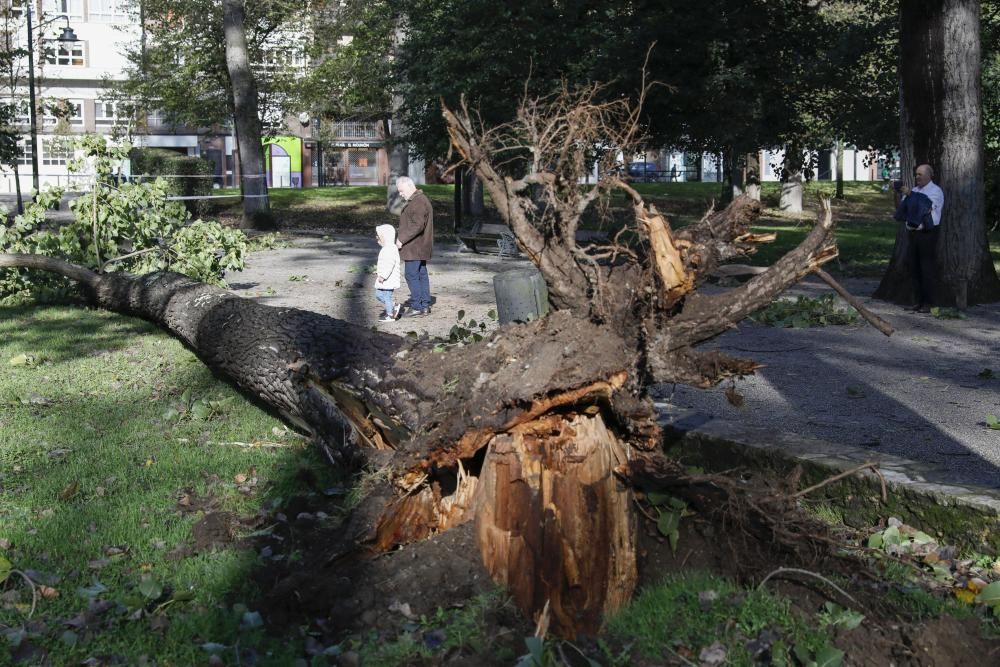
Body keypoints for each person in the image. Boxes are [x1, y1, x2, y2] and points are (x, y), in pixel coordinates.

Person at [899, 163, 944, 313]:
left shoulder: (935, 191)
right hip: (913, 233)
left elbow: (925, 207)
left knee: (926, 268)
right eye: (916, 174)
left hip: (927, 233)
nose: (917, 177)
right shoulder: (915, 190)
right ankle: (917, 301)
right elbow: (904, 208)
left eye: (920, 174)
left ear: (929, 175)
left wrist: (910, 196)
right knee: (914, 267)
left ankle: (929, 303)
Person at [394, 175, 434, 316]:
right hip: (419, 246)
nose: (400, 194)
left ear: (410, 186)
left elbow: (417, 226)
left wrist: (401, 239)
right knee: (421, 274)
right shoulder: (418, 200)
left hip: (415, 247)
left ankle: (417, 306)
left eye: (401, 190)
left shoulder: (418, 202)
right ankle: (424, 305)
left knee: (411, 275)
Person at [374, 224, 402, 322]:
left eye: (379, 237)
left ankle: (390, 315)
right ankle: (393, 305)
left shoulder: (390, 249)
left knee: (387, 296)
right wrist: (378, 271)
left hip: (388, 279)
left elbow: (390, 264)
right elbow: (383, 263)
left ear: (386, 237)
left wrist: (383, 275)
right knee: (378, 294)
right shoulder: (386, 248)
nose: (377, 239)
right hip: (384, 278)